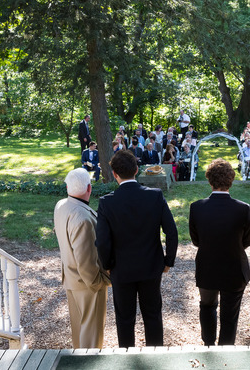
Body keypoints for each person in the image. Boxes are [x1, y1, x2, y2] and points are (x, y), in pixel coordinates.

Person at [96, 150, 178, 348]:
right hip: (151, 266)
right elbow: (172, 232)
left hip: (121, 269)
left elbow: (103, 241)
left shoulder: (107, 202)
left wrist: (107, 265)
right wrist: (168, 261)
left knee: (124, 319)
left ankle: (126, 358)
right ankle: (155, 356)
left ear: (115, 174)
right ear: (136, 170)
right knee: (153, 315)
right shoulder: (155, 196)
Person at [189, 159, 250, 346]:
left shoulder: (197, 207)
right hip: (234, 267)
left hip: (207, 266)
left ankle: (208, 343)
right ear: (231, 181)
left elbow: (196, 240)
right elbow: (247, 240)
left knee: (207, 306)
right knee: (230, 314)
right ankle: (226, 347)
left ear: (209, 181)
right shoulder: (242, 208)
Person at [54, 168, 110, 349]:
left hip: (71, 279)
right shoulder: (82, 218)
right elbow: (85, 260)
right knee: (92, 336)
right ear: (89, 188)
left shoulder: (61, 205)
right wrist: (98, 283)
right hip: (87, 284)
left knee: (79, 331)